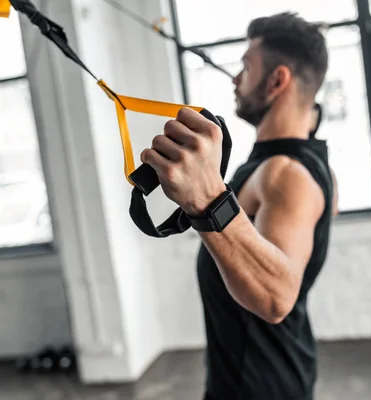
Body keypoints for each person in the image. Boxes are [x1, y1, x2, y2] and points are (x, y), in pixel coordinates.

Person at [141, 12, 335, 400]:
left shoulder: (284, 174)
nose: (235, 80)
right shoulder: (306, 160)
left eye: (246, 67)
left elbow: (277, 298)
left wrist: (208, 200)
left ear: (278, 80)